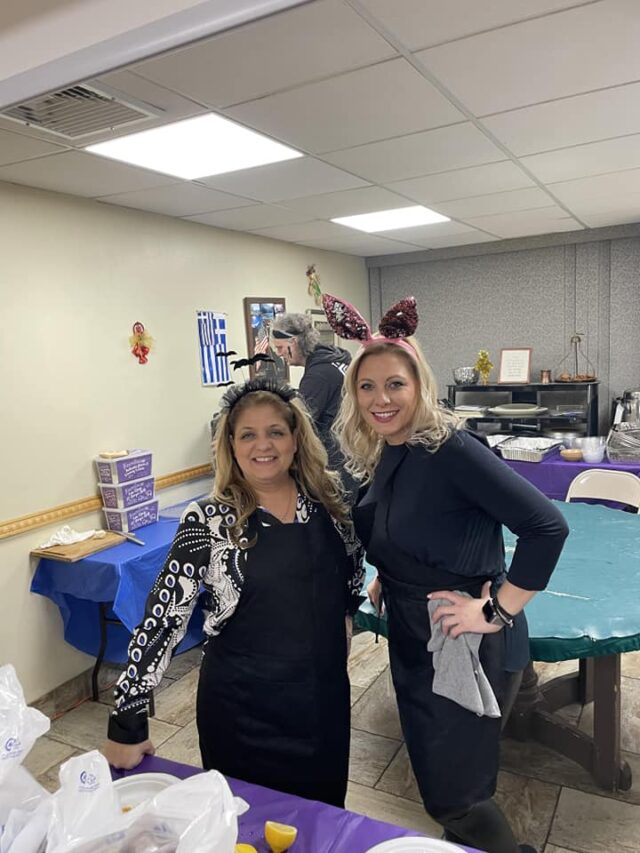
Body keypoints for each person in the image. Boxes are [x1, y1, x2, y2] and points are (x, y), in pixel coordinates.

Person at [323, 293, 569, 853]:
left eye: (395, 384)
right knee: (440, 777)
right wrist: (394, 569)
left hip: (467, 641)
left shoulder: (451, 449)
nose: (381, 399)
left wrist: (497, 609)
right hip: (414, 634)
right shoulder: (391, 448)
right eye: (367, 386)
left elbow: (547, 527)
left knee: (459, 795)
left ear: (420, 385)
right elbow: (410, 521)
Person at [103, 376, 364, 808]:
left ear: (295, 439)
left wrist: (346, 616)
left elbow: (352, 568)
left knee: (322, 819)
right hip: (241, 712)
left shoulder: (329, 505)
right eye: (248, 435)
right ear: (230, 444)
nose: (263, 445)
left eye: (275, 432)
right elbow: (163, 618)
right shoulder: (208, 520)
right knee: (242, 823)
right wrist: (126, 721)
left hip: (322, 705)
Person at [271, 313, 351, 473]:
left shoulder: (318, 376)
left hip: (336, 456)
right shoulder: (337, 359)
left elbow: (301, 421)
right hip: (351, 447)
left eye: (280, 347)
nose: (279, 354)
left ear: (293, 342)